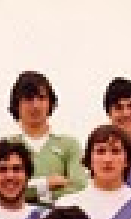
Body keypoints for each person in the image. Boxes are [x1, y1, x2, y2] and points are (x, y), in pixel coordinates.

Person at [5, 71, 87, 204]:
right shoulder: (6, 146)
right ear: (17, 105)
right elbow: (0, 191)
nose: (36, 105)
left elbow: (79, 187)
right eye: (29, 99)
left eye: (41, 98)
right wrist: (46, 184)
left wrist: (29, 190)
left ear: (50, 103)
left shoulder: (69, 144)